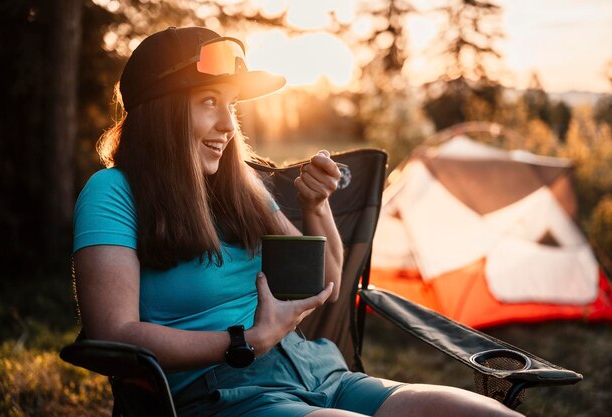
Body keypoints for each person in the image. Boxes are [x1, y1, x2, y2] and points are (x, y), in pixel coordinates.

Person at [73, 26, 524, 417]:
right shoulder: (114, 192)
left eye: (232, 105)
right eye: (209, 101)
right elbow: (113, 335)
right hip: (226, 395)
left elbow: (324, 283)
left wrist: (316, 205)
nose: (229, 125)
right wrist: (245, 341)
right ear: (161, 112)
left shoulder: (239, 184)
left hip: (319, 370)